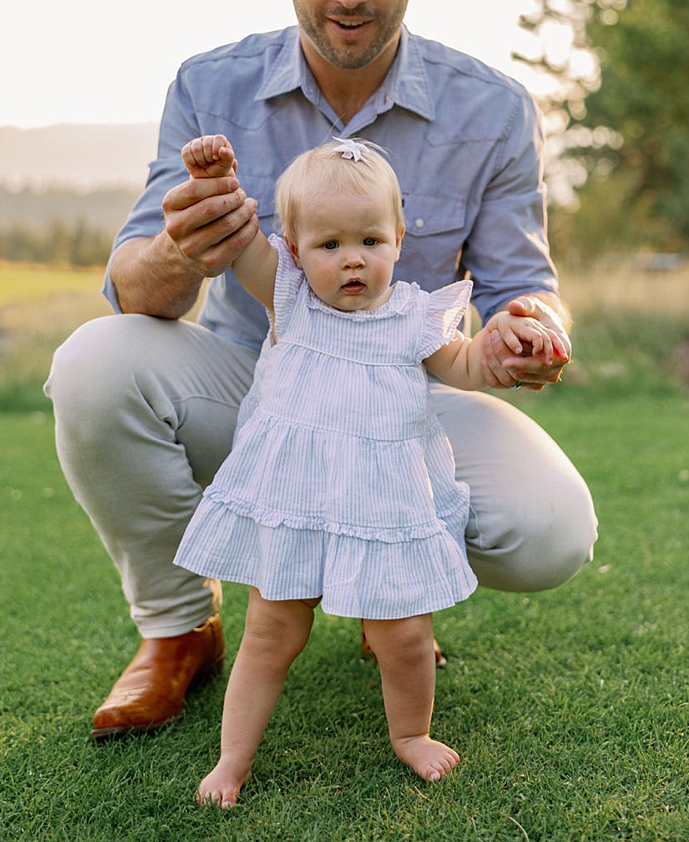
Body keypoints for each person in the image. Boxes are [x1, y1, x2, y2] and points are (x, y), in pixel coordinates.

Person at [47, 0, 598, 741]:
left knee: (550, 531)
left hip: (408, 399)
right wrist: (185, 249)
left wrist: (530, 328)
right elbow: (136, 286)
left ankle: (388, 594)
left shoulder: (493, 108)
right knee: (94, 364)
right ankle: (180, 628)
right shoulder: (208, 85)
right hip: (257, 394)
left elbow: (522, 284)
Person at [171, 135, 563, 805]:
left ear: (399, 238)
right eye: (328, 245)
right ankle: (231, 759)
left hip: (383, 504)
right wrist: (219, 178)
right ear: (294, 249)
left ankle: (410, 733)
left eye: (370, 241)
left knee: (404, 632)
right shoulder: (289, 297)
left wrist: (503, 343)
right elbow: (238, 242)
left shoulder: (415, 315)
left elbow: (467, 365)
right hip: (297, 498)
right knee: (271, 630)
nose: (352, 258)